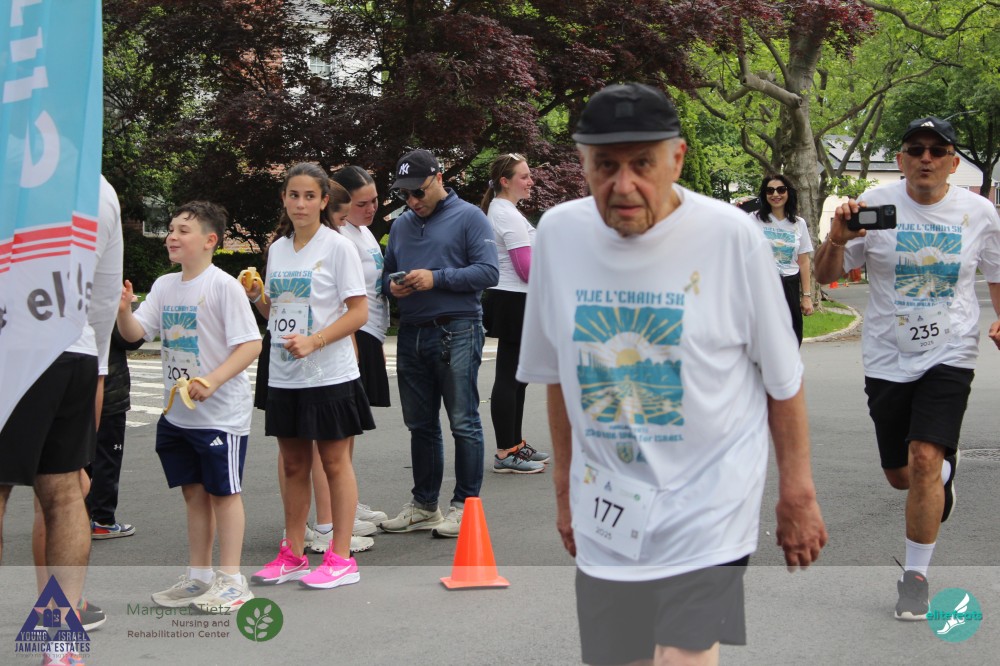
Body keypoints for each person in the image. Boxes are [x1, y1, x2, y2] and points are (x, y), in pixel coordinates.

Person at [517, 82, 827, 665]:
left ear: (677, 159)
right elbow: (558, 376)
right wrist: (565, 494)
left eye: (642, 163)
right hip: (609, 503)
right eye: (605, 165)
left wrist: (798, 494)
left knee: (682, 656)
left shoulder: (731, 237)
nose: (623, 184)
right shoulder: (558, 234)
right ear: (583, 164)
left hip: (710, 502)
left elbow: (783, 379)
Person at [814, 115, 1000, 621]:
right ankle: (941, 477)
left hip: (951, 352)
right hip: (887, 356)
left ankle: (915, 578)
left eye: (937, 151)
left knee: (922, 458)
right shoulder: (874, 204)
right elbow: (827, 276)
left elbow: (995, 271)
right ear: (900, 160)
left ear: (953, 163)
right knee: (902, 476)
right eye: (915, 149)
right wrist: (836, 238)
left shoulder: (979, 212)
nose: (926, 158)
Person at [117, 201, 262, 613]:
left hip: (220, 416)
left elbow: (251, 344)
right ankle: (199, 576)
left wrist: (212, 380)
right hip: (177, 415)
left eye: (183, 230)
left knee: (224, 494)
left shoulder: (222, 286)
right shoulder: (165, 285)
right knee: (193, 494)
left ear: (210, 240)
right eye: (171, 229)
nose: (172, 236)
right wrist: (124, 310)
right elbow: (135, 334)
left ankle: (232, 580)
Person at [0, 175, 123, 659]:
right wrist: (98, 366)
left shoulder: (11, 161)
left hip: (12, 342)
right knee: (65, 493)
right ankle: (60, 641)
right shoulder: (99, 186)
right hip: (73, 348)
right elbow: (105, 293)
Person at [246, 162, 372, 590]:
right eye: (293, 195)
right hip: (286, 374)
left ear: (323, 201)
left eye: (309, 196)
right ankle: (293, 554)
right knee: (294, 463)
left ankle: (341, 557)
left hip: (329, 372)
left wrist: (315, 341)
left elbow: (359, 312)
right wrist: (258, 298)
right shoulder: (278, 249)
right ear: (284, 199)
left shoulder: (338, 247)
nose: (300, 203)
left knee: (334, 462)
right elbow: (277, 314)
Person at [378, 149, 499, 538]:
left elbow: (489, 272)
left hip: (457, 327)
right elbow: (385, 276)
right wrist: (393, 287)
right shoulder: (401, 225)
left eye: (419, 192)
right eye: (405, 194)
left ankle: (465, 506)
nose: (413, 201)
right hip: (412, 331)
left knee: (463, 421)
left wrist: (436, 277)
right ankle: (425, 505)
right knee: (420, 425)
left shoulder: (470, 216)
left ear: (439, 178)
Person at [479, 153, 549, 473]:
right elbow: (525, 268)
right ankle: (506, 452)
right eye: (524, 176)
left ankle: (515, 444)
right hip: (513, 299)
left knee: (518, 378)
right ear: (505, 181)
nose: (530, 181)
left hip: (516, 299)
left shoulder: (506, 210)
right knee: (509, 377)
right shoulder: (505, 213)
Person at [331, 165, 391, 528]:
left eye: (374, 201)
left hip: (370, 332)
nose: (370, 209)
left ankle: (347, 500)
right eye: (361, 203)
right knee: (341, 428)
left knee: (351, 427)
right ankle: (338, 511)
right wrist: (354, 341)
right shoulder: (340, 235)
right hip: (356, 331)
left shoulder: (363, 231)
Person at [87, 323, 144, 538]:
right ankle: (103, 520)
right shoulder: (108, 307)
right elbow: (130, 339)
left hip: (74, 392)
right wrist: (124, 312)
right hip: (109, 394)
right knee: (106, 459)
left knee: (78, 459)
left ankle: (75, 516)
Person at [750, 174, 815, 345]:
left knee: (793, 336)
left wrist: (806, 296)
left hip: (790, 284)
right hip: (764, 285)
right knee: (764, 338)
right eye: (770, 191)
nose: (775, 194)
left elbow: (804, 261)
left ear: (788, 193)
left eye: (781, 190)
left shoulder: (799, 223)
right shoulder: (754, 220)